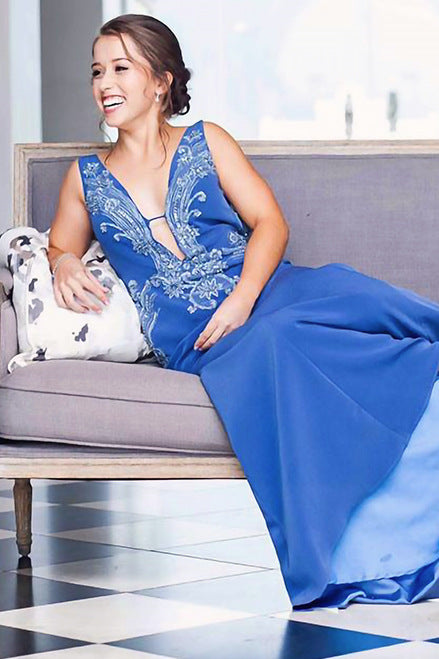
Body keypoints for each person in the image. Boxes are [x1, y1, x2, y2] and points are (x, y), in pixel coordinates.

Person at [47, 13, 439, 611]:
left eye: (121, 68)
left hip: (263, 290)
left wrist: (243, 298)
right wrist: (61, 263)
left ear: (161, 81)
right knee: (278, 342)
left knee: (353, 292)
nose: (105, 83)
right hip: (201, 335)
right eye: (97, 71)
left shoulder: (208, 140)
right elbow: (59, 244)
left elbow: (269, 222)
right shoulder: (84, 178)